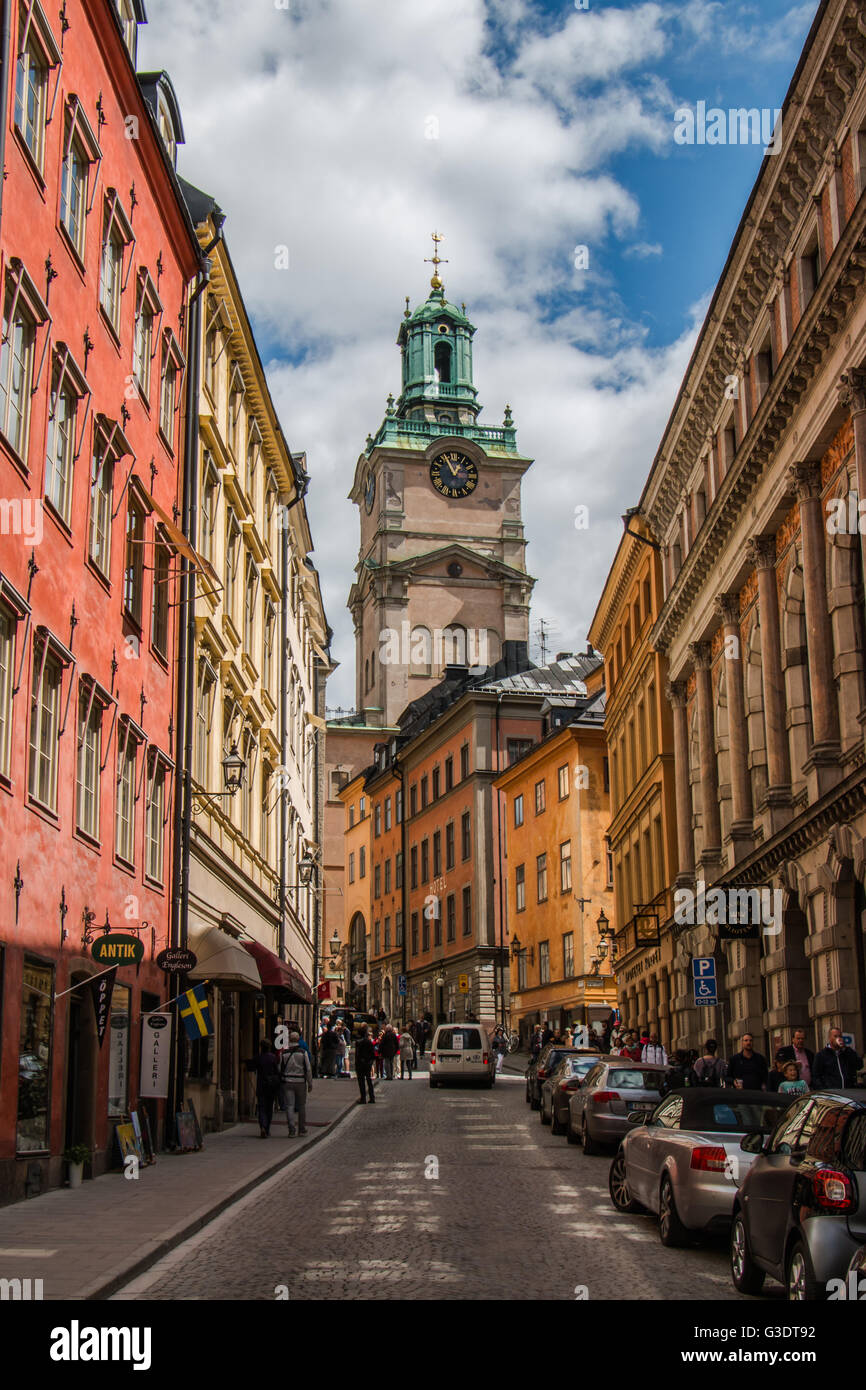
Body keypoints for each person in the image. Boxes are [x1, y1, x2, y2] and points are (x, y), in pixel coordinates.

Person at [279, 1030, 313, 1134]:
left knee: (290, 1106)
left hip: (287, 1081)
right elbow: (308, 1069)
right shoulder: (303, 1053)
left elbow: (280, 1068)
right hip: (300, 1082)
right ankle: (301, 1128)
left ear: (289, 1039)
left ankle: (291, 1129)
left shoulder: (284, 1053)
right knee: (301, 1105)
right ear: (298, 1039)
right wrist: (310, 1083)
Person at [253, 1039, 280, 1137]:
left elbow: (253, 1067)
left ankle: (262, 1126)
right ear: (269, 1047)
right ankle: (267, 1128)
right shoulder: (273, 1058)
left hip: (261, 1084)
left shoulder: (258, 1058)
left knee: (261, 1107)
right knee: (269, 1107)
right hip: (271, 1085)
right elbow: (276, 1071)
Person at [355, 1025, 376, 1103]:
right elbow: (372, 1054)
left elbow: (357, 1054)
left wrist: (357, 1063)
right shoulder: (369, 1042)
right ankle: (372, 1097)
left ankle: (363, 1098)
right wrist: (370, 1062)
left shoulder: (358, 1042)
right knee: (369, 1081)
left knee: (361, 1082)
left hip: (360, 1064)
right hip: (367, 1064)